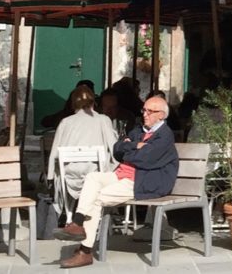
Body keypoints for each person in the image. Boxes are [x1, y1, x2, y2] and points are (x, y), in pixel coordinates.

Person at [55, 94, 177, 268]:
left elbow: (145, 159)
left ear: (162, 115)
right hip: (122, 175)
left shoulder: (164, 136)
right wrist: (135, 146)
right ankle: (78, 222)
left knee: (97, 199)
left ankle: (85, 251)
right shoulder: (139, 131)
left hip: (142, 182)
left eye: (151, 111)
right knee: (93, 177)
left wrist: (131, 148)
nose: (145, 114)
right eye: (144, 110)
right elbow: (117, 149)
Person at [48, 86, 119, 214]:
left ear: (73, 104)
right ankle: (104, 213)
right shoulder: (103, 120)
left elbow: (54, 155)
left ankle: (70, 215)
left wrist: (50, 179)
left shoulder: (65, 122)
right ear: (94, 103)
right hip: (96, 174)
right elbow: (115, 150)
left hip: (69, 177)